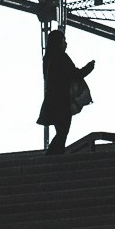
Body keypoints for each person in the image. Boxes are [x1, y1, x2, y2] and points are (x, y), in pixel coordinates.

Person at [37, 23, 94, 151]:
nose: (66, 44)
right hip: (62, 101)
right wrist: (89, 67)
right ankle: (52, 157)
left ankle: (54, 156)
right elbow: (76, 74)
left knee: (60, 132)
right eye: (64, 41)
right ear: (59, 42)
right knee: (62, 133)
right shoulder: (61, 57)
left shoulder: (48, 59)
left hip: (52, 101)